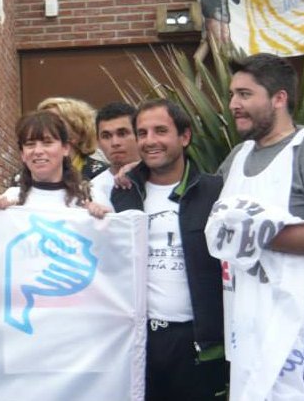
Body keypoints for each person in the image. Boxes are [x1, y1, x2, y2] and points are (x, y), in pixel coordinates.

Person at [209, 53, 304, 400]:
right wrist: (131, 174)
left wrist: (258, 235)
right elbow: (208, 213)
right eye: (232, 95)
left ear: (279, 98)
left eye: (245, 94)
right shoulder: (237, 158)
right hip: (257, 340)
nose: (233, 105)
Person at [110, 99, 226, 400]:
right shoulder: (122, 193)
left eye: (160, 131)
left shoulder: (216, 191)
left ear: (184, 136)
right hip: (140, 341)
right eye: (142, 133)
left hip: (198, 344)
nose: (150, 141)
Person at [0, 110, 90, 210]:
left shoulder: (86, 198)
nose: (38, 151)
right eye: (30, 144)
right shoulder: (10, 198)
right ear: (22, 154)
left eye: (47, 143)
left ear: (65, 148)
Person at [37, 97, 109, 180]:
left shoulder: (102, 175)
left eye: (53, 122)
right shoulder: (28, 175)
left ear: (77, 132)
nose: (42, 128)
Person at [89, 102, 140, 209]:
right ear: (98, 142)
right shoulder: (92, 191)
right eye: (106, 136)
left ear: (139, 134)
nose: (115, 142)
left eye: (122, 134)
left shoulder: (164, 177)